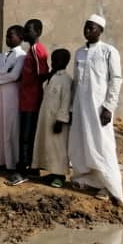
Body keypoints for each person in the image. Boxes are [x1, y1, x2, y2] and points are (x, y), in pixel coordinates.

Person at [68, 15, 123, 205]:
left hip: (99, 107)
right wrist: (71, 107)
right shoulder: (79, 53)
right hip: (80, 106)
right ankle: (87, 179)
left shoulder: (109, 51)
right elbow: (76, 81)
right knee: (82, 143)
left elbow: (116, 80)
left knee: (102, 145)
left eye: (91, 28)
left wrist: (109, 107)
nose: (87, 30)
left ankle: (110, 187)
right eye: (86, 27)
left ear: (100, 31)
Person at [8, 18, 50, 185]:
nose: (25, 33)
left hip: (32, 100)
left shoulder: (37, 49)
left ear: (38, 32)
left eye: (28, 30)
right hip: (26, 98)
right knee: (27, 135)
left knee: (26, 136)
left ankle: (23, 170)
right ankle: (31, 167)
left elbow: (43, 73)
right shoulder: (31, 49)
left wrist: (33, 87)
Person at [32, 48, 73, 189]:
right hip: (46, 116)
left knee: (58, 148)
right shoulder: (52, 76)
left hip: (57, 120)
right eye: (53, 60)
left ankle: (60, 176)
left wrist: (61, 120)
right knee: (47, 146)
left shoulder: (66, 80)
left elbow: (66, 101)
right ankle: (52, 172)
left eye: (57, 60)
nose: (53, 62)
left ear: (65, 62)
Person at [0, 25, 27, 173]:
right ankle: (0, 160)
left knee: (11, 127)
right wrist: (6, 71)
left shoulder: (22, 56)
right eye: (6, 35)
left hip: (12, 94)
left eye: (10, 36)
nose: (7, 38)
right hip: (0, 94)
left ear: (20, 38)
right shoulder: (2, 55)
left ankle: (12, 162)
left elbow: (15, 75)